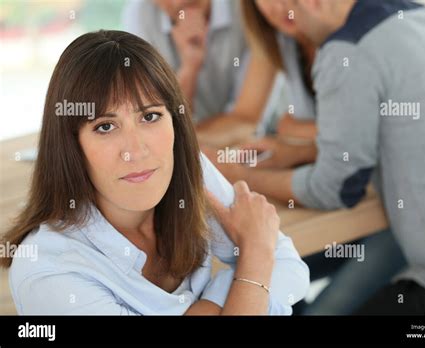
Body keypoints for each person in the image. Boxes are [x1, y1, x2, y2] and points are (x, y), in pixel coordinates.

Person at [1, 30, 309, 315]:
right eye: (105, 127)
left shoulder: (184, 167)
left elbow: (291, 270)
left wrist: (216, 299)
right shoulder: (49, 273)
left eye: (150, 116)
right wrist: (253, 263)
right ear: (71, 144)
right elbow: (266, 258)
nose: (136, 150)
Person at [236, 0, 425, 315]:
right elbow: (398, 134)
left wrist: (238, 175)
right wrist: (297, 152)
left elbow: (332, 190)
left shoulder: (346, 49)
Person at [122, 0, 274, 146]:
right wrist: (190, 67)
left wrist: (177, 143)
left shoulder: (246, 8)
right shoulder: (141, 16)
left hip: (263, 136)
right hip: (202, 141)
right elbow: (157, 120)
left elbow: (246, 121)